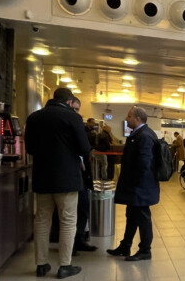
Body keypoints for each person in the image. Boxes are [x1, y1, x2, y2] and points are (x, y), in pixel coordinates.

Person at [25, 86, 90, 279]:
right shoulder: (72, 118)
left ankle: (41, 264)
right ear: (70, 102)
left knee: (42, 220)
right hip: (67, 178)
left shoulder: (34, 117)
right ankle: (64, 265)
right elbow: (85, 148)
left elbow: (29, 148)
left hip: (42, 177)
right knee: (68, 220)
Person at [107, 106, 160, 261]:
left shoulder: (144, 136)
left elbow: (144, 162)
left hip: (141, 186)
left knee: (143, 218)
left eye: (129, 116)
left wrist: (136, 183)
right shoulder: (140, 134)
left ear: (137, 119)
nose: (126, 118)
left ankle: (145, 250)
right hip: (137, 186)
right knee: (131, 215)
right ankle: (125, 245)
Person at [68, 96, 97, 254]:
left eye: (78, 110)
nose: (76, 113)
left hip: (79, 174)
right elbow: (84, 147)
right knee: (72, 211)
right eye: (74, 109)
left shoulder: (79, 125)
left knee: (82, 207)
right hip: (72, 174)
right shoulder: (71, 124)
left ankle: (78, 239)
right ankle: (71, 244)